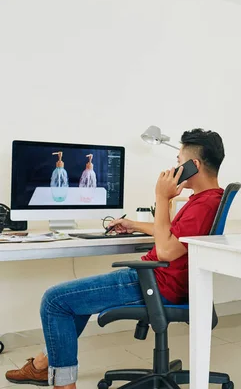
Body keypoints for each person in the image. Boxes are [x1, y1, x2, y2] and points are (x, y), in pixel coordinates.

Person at [5, 128, 225, 389]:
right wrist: (133, 223)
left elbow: (166, 250)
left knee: (55, 300)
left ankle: (62, 383)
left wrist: (161, 196)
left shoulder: (202, 205)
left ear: (194, 165)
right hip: (162, 279)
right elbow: (173, 237)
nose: (175, 167)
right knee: (72, 300)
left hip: (157, 283)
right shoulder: (208, 200)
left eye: (178, 162)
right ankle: (43, 366)